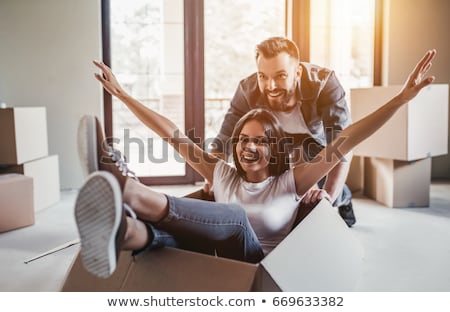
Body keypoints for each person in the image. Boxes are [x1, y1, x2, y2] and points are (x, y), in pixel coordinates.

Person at [75, 49, 436, 279]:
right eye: (244, 139)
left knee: (234, 217)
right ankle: (123, 230)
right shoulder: (223, 173)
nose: (249, 146)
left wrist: (401, 99)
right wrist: (122, 94)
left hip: (256, 264)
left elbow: (349, 137)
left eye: (260, 140)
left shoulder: (291, 182)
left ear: (275, 147)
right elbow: (172, 133)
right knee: (165, 236)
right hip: (216, 256)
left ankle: (128, 188)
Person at [204, 37, 356, 226]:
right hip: (276, 143)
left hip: (314, 144)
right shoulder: (247, 90)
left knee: (323, 185)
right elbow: (223, 139)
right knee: (277, 184)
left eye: (280, 76)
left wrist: (329, 197)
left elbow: (342, 143)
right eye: (263, 76)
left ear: (298, 72)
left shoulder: (324, 84)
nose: (271, 86)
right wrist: (211, 177)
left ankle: (345, 197)